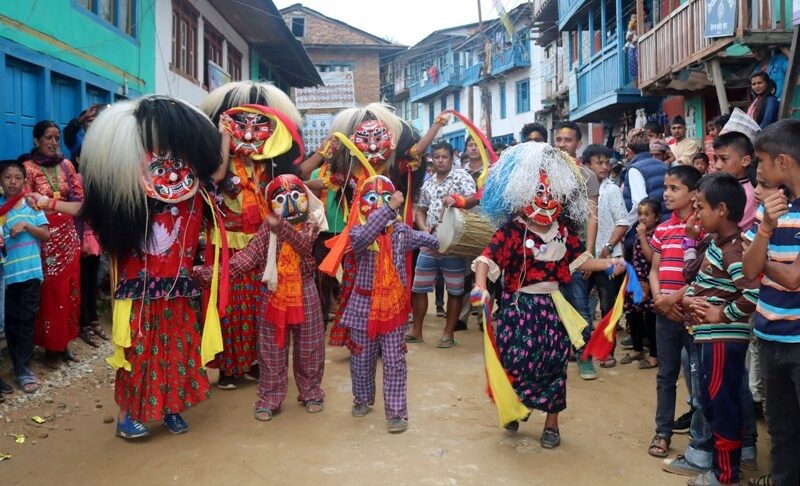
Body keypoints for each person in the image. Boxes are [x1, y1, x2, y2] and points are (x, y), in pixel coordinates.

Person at [80, 96, 224, 439]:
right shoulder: (128, 192)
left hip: (177, 288)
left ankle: (171, 407)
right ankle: (127, 416)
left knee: (179, 349)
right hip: (140, 291)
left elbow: (216, 172)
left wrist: (227, 137)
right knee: (138, 352)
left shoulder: (193, 190)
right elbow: (92, 207)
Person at [473, 142, 625, 447]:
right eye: (538, 194)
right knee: (516, 361)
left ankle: (552, 425)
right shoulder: (511, 232)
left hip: (554, 310)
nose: (545, 201)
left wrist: (609, 262)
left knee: (554, 364)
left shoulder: (564, 232)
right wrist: (480, 287)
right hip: (518, 309)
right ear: (521, 196)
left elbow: (582, 261)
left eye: (551, 194)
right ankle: (516, 405)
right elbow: (486, 260)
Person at [199, 81, 306, 389]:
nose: (248, 134)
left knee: (261, 305)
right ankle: (231, 368)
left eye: (255, 128)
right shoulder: (222, 161)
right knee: (231, 308)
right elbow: (218, 176)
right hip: (230, 244)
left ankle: (258, 362)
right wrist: (224, 135)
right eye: (239, 128)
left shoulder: (266, 165)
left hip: (262, 245)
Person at [195, 175, 327, 421]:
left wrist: (280, 227)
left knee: (309, 347)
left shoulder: (311, 221)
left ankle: (311, 392)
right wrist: (212, 275)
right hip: (272, 292)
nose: (289, 202)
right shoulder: (267, 230)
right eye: (280, 198)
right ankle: (270, 397)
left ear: (306, 197)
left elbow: (303, 245)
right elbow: (246, 259)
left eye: (295, 195)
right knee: (270, 350)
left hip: (305, 290)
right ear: (270, 203)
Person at [664, 173, 760, 482]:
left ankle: (724, 473)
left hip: (722, 340)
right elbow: (704, 284)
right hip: (711, 339)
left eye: (700, 208)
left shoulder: (733, 249)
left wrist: (723, 313)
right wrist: (690, 299)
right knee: (715, 401)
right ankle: (723, 467)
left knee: (721, 403)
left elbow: (752, 294)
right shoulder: (719, 245)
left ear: (721, 209)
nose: (696, 215)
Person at [341, 176, 439, 433]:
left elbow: (429, 241)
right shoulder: (358, 232)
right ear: (360, 204)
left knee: (395, 361)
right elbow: (366, 235)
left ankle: (396, 413)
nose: (381, 204)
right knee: (361, 359)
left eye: (386, 198)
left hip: (393, 310)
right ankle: (362, 399)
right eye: (372, 199)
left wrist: (444, 235)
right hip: (362, 307)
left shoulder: (401, 232)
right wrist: (390, 207)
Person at [741, 119, 800, 486]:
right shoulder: (773, 209)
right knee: (782, 430)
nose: (757, 170)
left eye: (760, 161)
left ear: (782, 162)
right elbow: (748, 270)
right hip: (770, 337)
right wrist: (764, 230)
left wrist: (763, 259)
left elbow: (795, 280)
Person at [647, 165, 703, 459]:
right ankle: (663, 431)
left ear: (694, 194)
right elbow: (654, 270)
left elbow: (702, 277)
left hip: (691, 314)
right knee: (665, 375)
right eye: (666, 188)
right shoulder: (663, 228)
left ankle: (700, 437)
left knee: (698, 376)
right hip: (665, 314)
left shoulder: (701, 228)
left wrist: (672, 301)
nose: (666, 194)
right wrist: (659, 299)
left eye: (674, 188)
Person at [22, 121, 83, 369]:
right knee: (50, 293)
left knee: (71, 290)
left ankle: (64, 342)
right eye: (48, 138)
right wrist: (45, 204)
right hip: (46, 237)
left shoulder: (67, 165)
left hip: (69, 235)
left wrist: (55, 203)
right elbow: (26, 201)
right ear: (36, 140)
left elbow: (79, 198)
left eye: (57, 138)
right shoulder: (27, 167)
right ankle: (50, 347)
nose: (54, 142)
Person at [408, 142, 475, 347]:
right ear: (432, 159)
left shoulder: (462, 176)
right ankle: (417, 331)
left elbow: (474, 199)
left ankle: (448, 334)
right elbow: (421, 210)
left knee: (454, 290)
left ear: (452, 158)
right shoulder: (428, 183)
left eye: (444, 157)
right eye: (436, 157)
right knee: (419, 287)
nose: (440, 160)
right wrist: (422, 227)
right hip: (429, 241)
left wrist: (458, 200)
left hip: (454, 241)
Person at [553, 121, 601, 380]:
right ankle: (553, 358)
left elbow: (592, 217)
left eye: (567, 140)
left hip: (574, 252)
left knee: (580, 305)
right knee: (547, 306)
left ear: (578, 143)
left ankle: (584, 357)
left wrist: (588, 253)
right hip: (544, 249)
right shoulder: (542, 173)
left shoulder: (587, 176)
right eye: (558, 140)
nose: (561, 145)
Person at [0, 159, 50, 394]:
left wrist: (26, 226)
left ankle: (23, 369)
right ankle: (18, 365)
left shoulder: (32, 205)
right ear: (1, 181)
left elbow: (46, 235)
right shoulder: (0, 209)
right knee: (11, 322)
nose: (13, 182)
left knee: (27, 320)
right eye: (8, 177)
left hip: (30, 273)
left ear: (24, 180)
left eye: (17, 177)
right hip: (8, 277)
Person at [582, 144, 629, 368]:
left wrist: (607, 248)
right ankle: (583, 348)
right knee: (581, 306)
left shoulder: (611, 190)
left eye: (606, 162)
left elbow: (623, 222)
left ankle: (607, 351)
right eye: (598, 162)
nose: (604, 166)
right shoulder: (581, 191)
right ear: (587, 166)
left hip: (609, 259)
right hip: (584, 258)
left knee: (608, 307)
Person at [620, 197, 659, 369]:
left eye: (647, 214)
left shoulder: (656, 234)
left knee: (651, 319)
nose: (642, 218)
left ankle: (654, 355)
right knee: (633, 315)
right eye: (640, 214)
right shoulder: (637, 231)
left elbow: (650, 257)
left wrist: (643, 236)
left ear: (657, 217)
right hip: (635, 280)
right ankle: (637, 348)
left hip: (650, 282)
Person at [623, 129, 668, 226]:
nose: (626, 155)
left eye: (627, 151)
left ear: (630, 151)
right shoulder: (663, 165)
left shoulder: (635, 169)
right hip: (665, 224)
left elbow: (639, 204)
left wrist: (625, 228)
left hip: (647, 229)